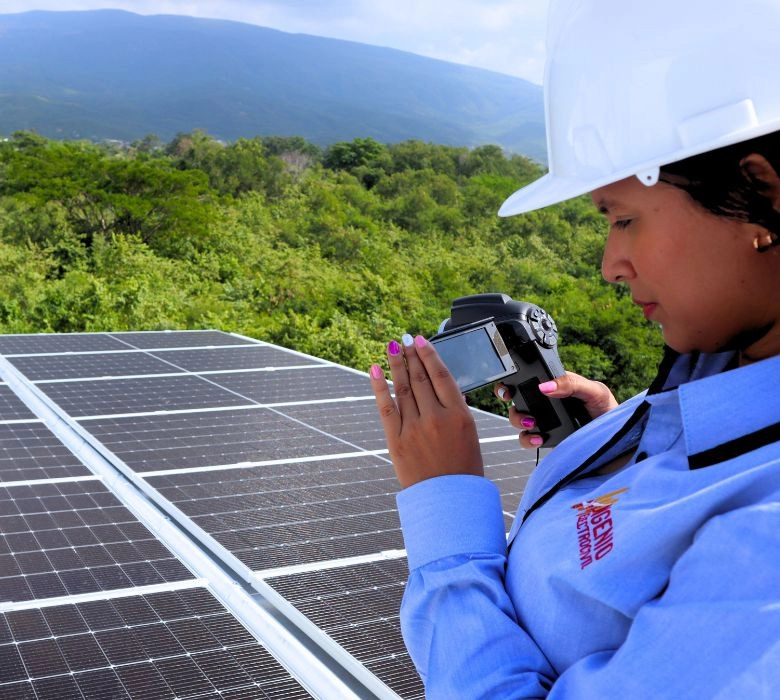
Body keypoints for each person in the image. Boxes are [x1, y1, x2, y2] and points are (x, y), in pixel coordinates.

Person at [368, 0, 780, 697]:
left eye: (623, 218)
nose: (609, 265)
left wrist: (446, 508)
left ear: (759, 194)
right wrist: (613, 451)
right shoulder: (722, 364)